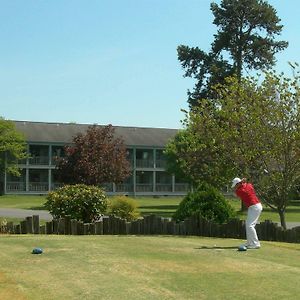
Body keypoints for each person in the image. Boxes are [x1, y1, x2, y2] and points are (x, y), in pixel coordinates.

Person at [231, 177, 263, 249]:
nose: (235, 187)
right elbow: (248, 185)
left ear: (238, 184)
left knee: (250, 225)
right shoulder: (249, 185)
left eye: (235, 185)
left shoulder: (239, 191)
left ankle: (255, 244)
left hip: (254, 207)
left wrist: (242, 183)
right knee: (248, 225)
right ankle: (249, 242)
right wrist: (243, 182)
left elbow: (237, 191)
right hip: (255, 206)